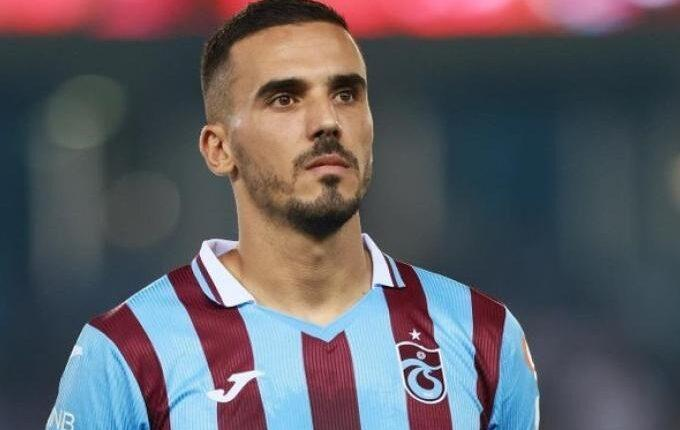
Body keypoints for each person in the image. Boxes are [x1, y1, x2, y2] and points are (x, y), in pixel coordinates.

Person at [46, 0, 539, 429]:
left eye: (346, 94)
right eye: (284, 99)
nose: (327, 121)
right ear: (219, 149)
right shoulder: (129, 349)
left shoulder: (482, 333)